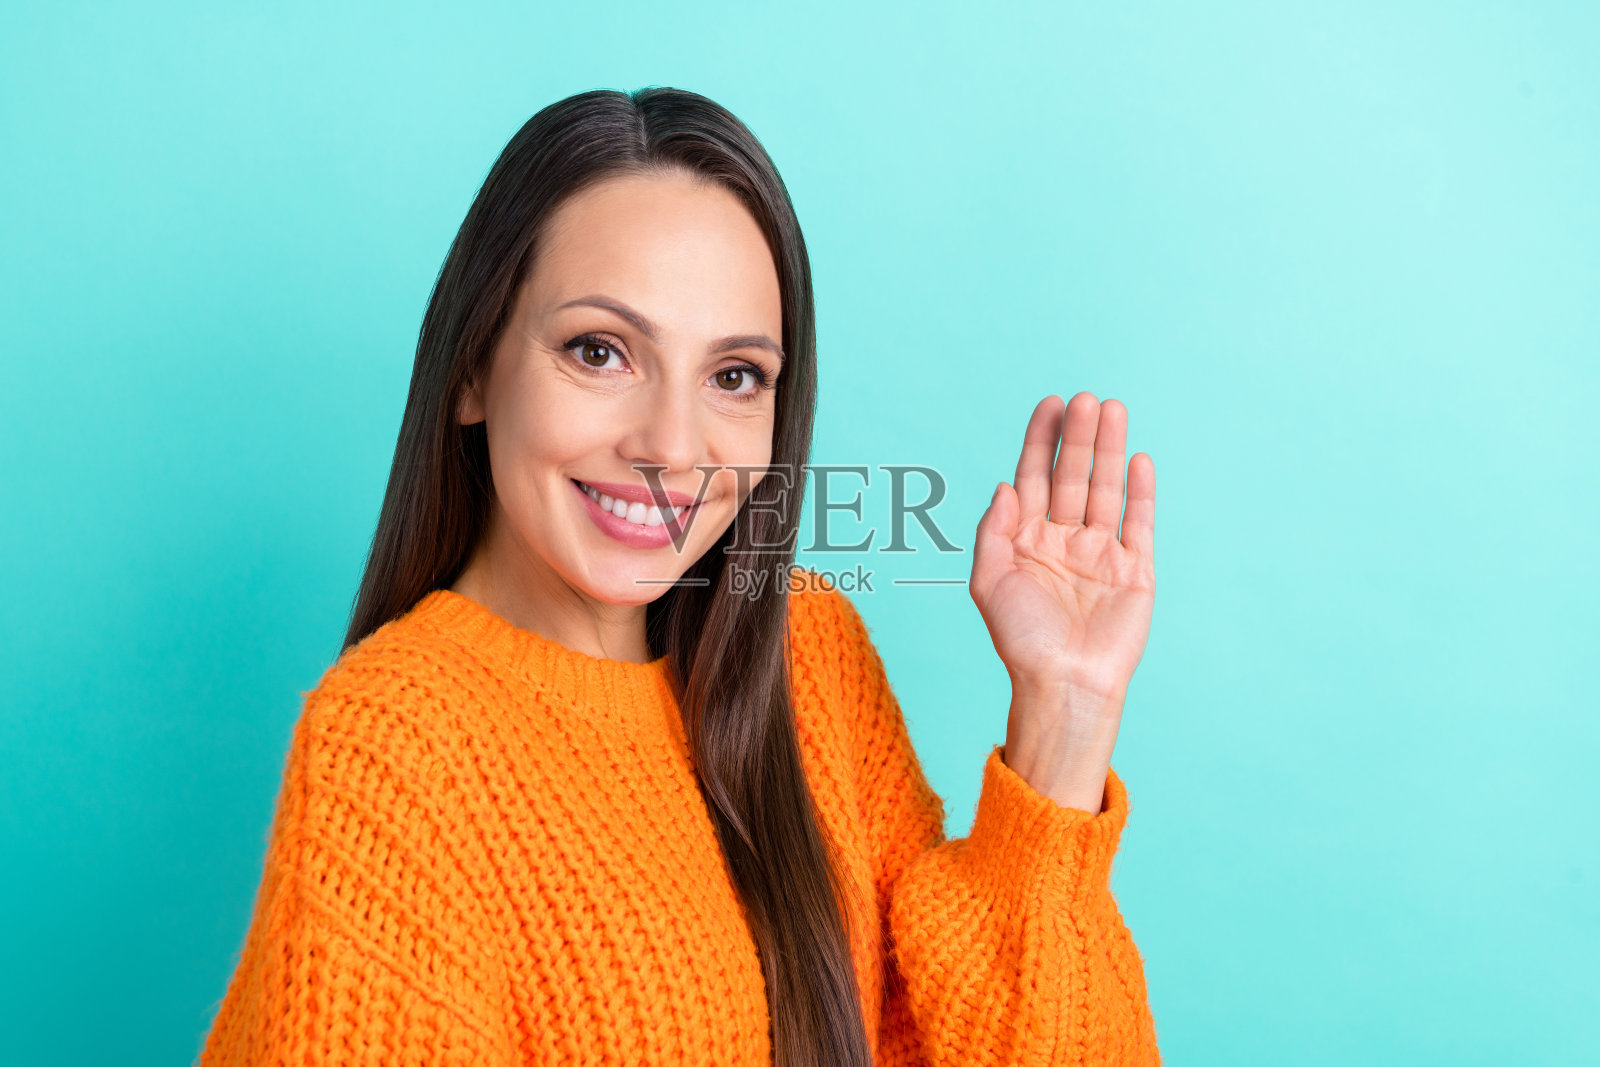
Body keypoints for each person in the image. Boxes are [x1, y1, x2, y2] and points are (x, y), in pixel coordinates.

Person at [195, 87, 1160, 1067]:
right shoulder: (392, 749)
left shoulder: (806, 653)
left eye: (732, 375)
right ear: (473, 369)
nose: (671, 446)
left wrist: (1067, 708)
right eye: (600, 351)